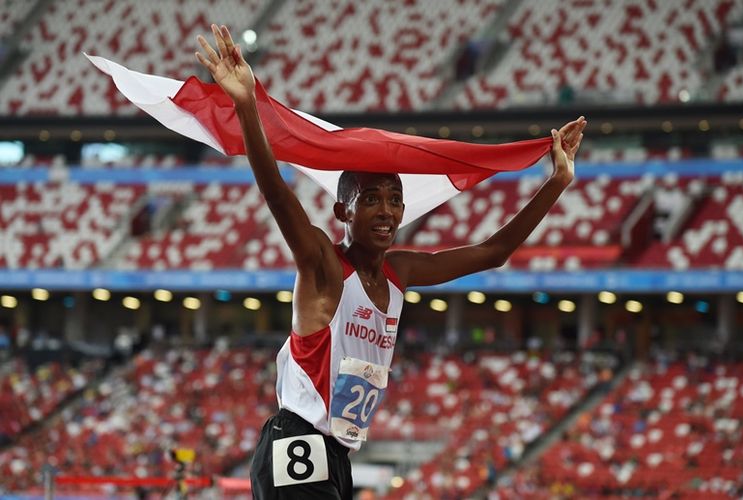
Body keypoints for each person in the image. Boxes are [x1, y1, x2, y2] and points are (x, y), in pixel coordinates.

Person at [196, 24, 586, 500]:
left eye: (395, 200)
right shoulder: (323, 264)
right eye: (371, 199)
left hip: (336, 454)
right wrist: (246, 105)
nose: (386, 211)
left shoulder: (401, 272)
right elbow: (277, 193)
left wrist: (556, 182)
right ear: (344, 211)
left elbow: (493, 252)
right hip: (297, 440)